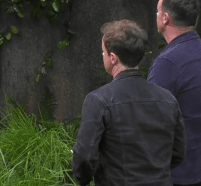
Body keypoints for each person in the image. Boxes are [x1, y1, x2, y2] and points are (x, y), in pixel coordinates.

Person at [72, 19, 186, 185]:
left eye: (103, 52)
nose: (102, 56)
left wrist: (86, 178)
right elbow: (178, 152)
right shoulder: (168, 99)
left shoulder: (99, 101)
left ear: (113, 57)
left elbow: (84, 158)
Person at [148, 0, 201, 186]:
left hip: (172, 175)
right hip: (197, 169)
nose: (156, 15)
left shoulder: (168, 63)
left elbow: (147, 121)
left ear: (165, 18)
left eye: (157, 11)